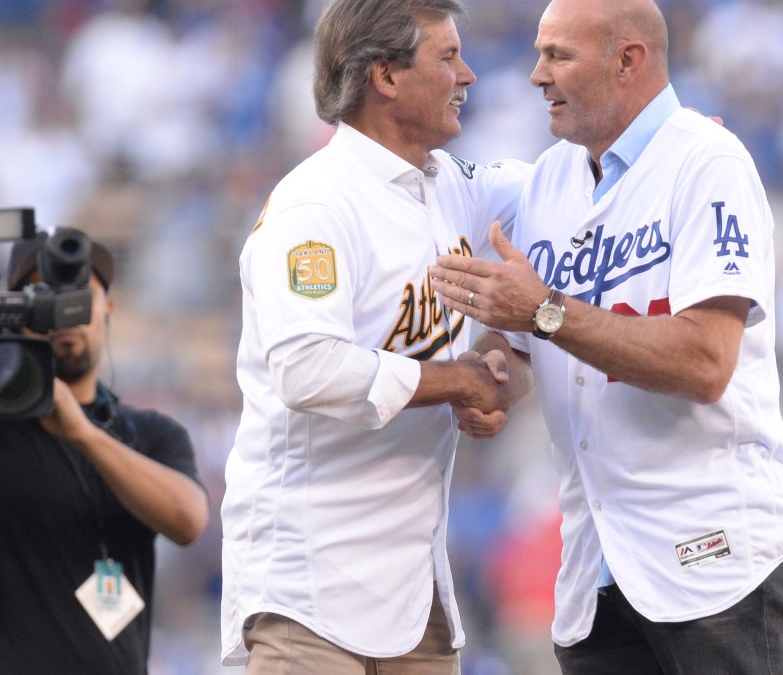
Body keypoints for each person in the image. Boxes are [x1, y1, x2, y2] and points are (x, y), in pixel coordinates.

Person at [429, 0, 783, 672]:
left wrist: (544, 311)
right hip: (599, 575)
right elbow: (525, 347)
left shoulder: (708, 162)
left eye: (558, 55)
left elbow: (706, 360)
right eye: (538, 53)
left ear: (627, 61)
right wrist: (486, 377)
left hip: (717, 560)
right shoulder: (550, 178)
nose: (536, 75)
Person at [219, 0, 529, 671]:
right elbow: (307, 368)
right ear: (385, 75)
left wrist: (666, 155)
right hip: (309, 590)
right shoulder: (316, 205)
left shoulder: (451, 187)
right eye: (447, 57)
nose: (468, 74)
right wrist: (461, 380)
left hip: (415, 590)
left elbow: (565, 196)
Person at [0, 229, 209, 674]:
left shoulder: (148, 434)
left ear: (108, 310)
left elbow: (188, 521)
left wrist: (83, 434)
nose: (65, 312)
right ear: (17, 313)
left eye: (80, 295)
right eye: (43, 295)